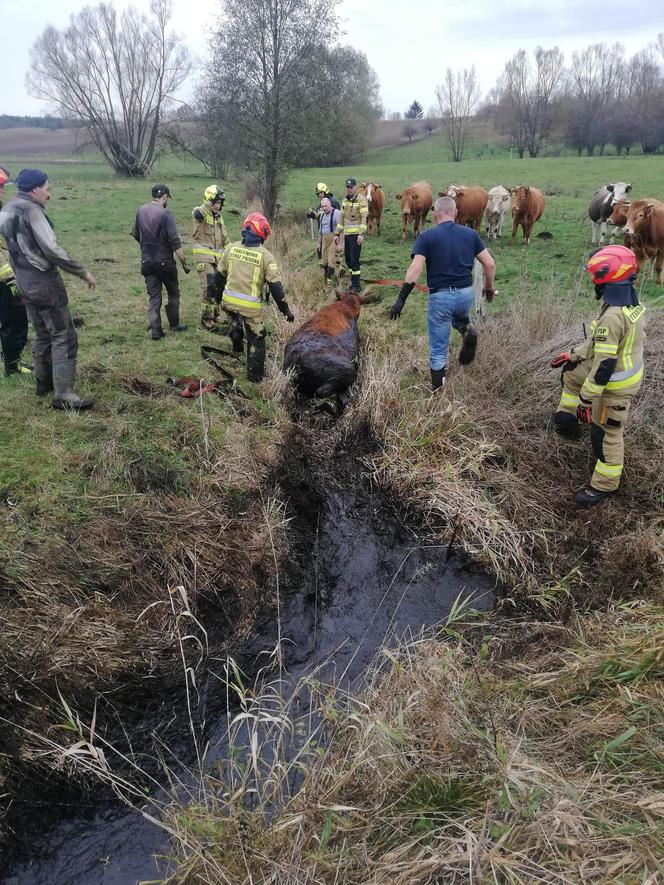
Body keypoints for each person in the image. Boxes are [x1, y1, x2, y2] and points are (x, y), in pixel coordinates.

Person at [550, 244, 645, 507]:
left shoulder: (612, 317)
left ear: (607, 277)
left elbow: (604, 364)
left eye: (596, 275)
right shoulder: (629, 304)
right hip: (617, 376)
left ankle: (604, 485)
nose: (593, 280)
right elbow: (598, 344)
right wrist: (574, 354)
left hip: (615, 387)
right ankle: (566, 422)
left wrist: (586, 399)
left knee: (605, 433)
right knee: (571, 374)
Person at [0, 168, 96, 410]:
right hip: (44, 283)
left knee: (43, 334)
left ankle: (43, 383)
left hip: (22, 283)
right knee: (64, 335)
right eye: (47, 188)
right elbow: (51, 249)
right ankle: (64, 394)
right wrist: (81, 271)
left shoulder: (6, 209)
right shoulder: (32, 211)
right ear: (35, 189)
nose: (49, 194)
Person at [389, 195, 496, 390]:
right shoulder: (470, 234)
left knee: (438, 349)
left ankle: (438, 394)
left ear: (435, 214)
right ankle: (466, 329)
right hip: (465, 294)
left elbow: (415, 269)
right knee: (459, 315)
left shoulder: (427, 237)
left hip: (441, 296)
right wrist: (488, 288)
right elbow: (489, 263)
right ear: (455, 213)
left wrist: (401, 299)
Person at [217, 212, 294, 382]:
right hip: (250, 308)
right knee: (257, 340)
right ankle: (255, 377)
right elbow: (276, 288)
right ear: (263, 233)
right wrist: (285, 310)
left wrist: (217, 298)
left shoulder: (231, 248)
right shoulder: (266, 256)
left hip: (228, 302)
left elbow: (219, 276)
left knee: (235, 323)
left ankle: (236, 346)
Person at [131, 184, 190, 340]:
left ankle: (156, 330)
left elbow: (136, 234)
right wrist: (184, 262)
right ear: (164, 197)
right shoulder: (166, 214)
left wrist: (146, 248)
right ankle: (175, 325)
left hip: (147, 261)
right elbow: (175, 242)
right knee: (173, 292)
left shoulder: (140, 211)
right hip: (165, 262)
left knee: (154, 296)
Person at [0, 166, 30, 377]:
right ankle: (12, 366)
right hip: (5, 279)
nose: (3, 190)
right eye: (0, 186)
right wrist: (10, 277)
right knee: (15, 319)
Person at [192, 184, 230, 329]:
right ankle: (205, 320)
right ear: (209, 201)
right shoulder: (200, 213)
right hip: (203, 258)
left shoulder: (219, 218)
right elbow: (198, 214)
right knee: (209, 287)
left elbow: (225, 239)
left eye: (219, 203)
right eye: (215, 202)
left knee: (218, 287)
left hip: (217, 259)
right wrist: (208, 204)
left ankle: (215, 315)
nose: (217, 206)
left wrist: (231, 252)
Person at [335, 178, 369, 292]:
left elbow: (365, 217)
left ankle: (357, 285)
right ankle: (353, 283)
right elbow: (341, 218)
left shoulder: (361, 200)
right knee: (348, 259)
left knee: (354, 260)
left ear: (355, 187)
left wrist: (361, 234)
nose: (349, 189)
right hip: (347, 235)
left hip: (356, 235)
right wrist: (337, 233)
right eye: (347, 187)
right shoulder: (345, 201)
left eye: (351, 187)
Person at [317, 197, 341, 285]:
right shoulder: (322, 215)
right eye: (322, 206)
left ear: (330, 204)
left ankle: (331, 283)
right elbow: (320, 230)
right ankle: (327, 279)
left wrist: (340, 244)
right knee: (324, 262)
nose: (324, 208)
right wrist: (319, 243)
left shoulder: (337, 213)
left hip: (333, 240)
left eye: (325, 206)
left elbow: (341, 229)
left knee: (332, 261)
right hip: (324, 240)